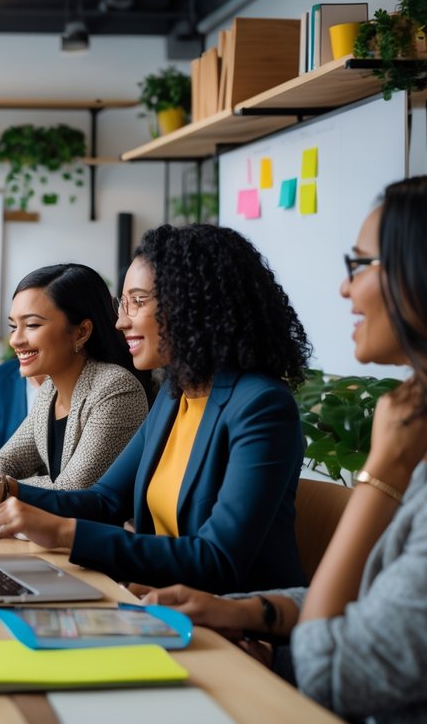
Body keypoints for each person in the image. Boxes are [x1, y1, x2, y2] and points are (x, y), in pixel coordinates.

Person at [139, 178, 427, 722]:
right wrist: (244, 613)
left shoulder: (263, 402)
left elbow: (338, 678)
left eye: (359, 264)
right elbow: (370, 606)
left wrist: (382, 471)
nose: (345, 289)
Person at [0, 224, 312, 593]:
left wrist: (63, 532)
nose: (122, 321)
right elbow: (105, 501)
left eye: (137, 303)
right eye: (122, 305)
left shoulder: (260, 406)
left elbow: (218, 559)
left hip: (240, 633)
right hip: (158, 600)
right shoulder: (176, 397)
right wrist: (1, 489)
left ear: (195, 305)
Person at [0, 264, 150, 490]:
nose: (15, 340)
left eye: (31, 325)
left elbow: (71, 488)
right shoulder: (50, 390)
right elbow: (7, 460)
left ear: (82, 332)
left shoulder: (116, 388)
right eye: (13, 326)